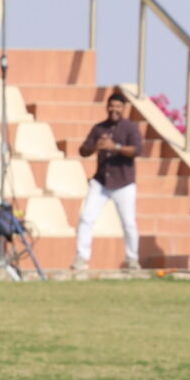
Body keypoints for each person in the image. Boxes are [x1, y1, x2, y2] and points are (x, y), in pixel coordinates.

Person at [72, 89, 143, 275]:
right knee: (86, 218)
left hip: (124, 182)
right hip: (101, 181)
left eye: (118, 106)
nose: (114, 109)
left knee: (128, 223)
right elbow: (83, 151)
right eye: (111, 106)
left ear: (124, 108)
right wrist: (96, 146)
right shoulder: (99, 128)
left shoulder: (130, 128)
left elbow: (136, 150)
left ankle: (132, 258)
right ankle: (82, 257)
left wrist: (116, 147)